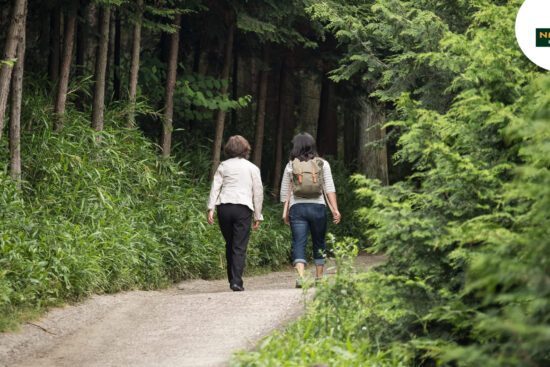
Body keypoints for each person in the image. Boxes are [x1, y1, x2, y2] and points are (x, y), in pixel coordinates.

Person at [280, 132, 341, 288]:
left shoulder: (290, 164)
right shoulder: (322, 163)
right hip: (318, 207)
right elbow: (330, 188)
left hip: (297, 208)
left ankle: (301, 277)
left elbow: (284, 190)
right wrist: (335, 209)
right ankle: (319, 277)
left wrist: (285, 212)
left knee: (299, 242)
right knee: (319, 242)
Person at [207, 135, 263, 292]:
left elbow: (215, 187)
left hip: (224, 207)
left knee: (230, 243)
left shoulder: (223, 166)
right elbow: (257, 192)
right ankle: (236, 281)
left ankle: (232, 278)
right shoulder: (252, 168)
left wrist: (210, 208)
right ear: (246, 150)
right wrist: (258, 215)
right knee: (239, 245)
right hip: (243, 208)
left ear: (229, 149)